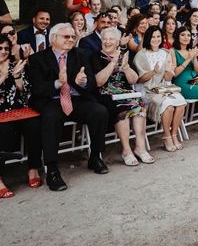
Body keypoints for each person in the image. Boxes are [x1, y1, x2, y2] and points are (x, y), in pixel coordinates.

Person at [27, 23, 110, 191]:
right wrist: (59, 82)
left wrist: (83, 81)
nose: (71, 40)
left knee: (100, 112)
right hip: (51, 100)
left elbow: (92, 82)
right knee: (51, 117)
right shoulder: (38, 59)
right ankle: (52, 170)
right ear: (53, 39)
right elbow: (37, 88)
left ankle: (95, 156)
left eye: (73, 37)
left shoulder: (81, 55)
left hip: (76, 98)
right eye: (66, 37)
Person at [91, 28, 154, 166]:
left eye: (111, 39)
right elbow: (99, 82)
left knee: (140, 105)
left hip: (126, 93)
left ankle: (140, 147)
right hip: (106, 95)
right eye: (104, 39)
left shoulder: (124, 55)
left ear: (117, 42)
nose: (107, 42)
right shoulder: (95, 57)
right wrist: (113, 63)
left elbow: (133, 80)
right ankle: (126, 150)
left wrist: (125, 67)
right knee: (123, 108)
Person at [0, 33, 42, 198]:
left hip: (17, 110)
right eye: (0, 48)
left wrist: (16, 76)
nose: (3, 51)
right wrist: (5, 76)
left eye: (6, 48)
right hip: (1, 114)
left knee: (35, 123)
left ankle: (33, 168)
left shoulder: (14, 66)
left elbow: (24, 92)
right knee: (3, 130)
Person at [133, 26, 186, 152]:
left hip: (163, 87)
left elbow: (167, 77)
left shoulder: (165, 53)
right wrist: (153, 72)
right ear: (148, 38)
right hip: (147, 90)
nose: (155, 39)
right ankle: (166, 136)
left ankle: (174, 134)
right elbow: (140, 80)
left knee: (181, 102)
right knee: (168, 106)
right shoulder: (141, 55)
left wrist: (170, 71)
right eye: (153, 36)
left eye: (158, 36)